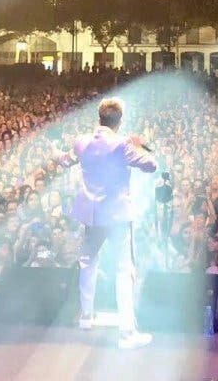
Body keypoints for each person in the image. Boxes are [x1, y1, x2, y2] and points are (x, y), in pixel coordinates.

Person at [62, 97, 157, 349]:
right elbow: (151, 165)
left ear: (99, 118)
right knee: (124, 269)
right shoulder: (122, 144)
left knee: (88, 262)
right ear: (120, 120)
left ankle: (86, 316)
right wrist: (142, 146)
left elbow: (64, 160)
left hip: (92, 215)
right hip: (116, 216)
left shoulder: (81, 142)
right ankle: (127, 333)